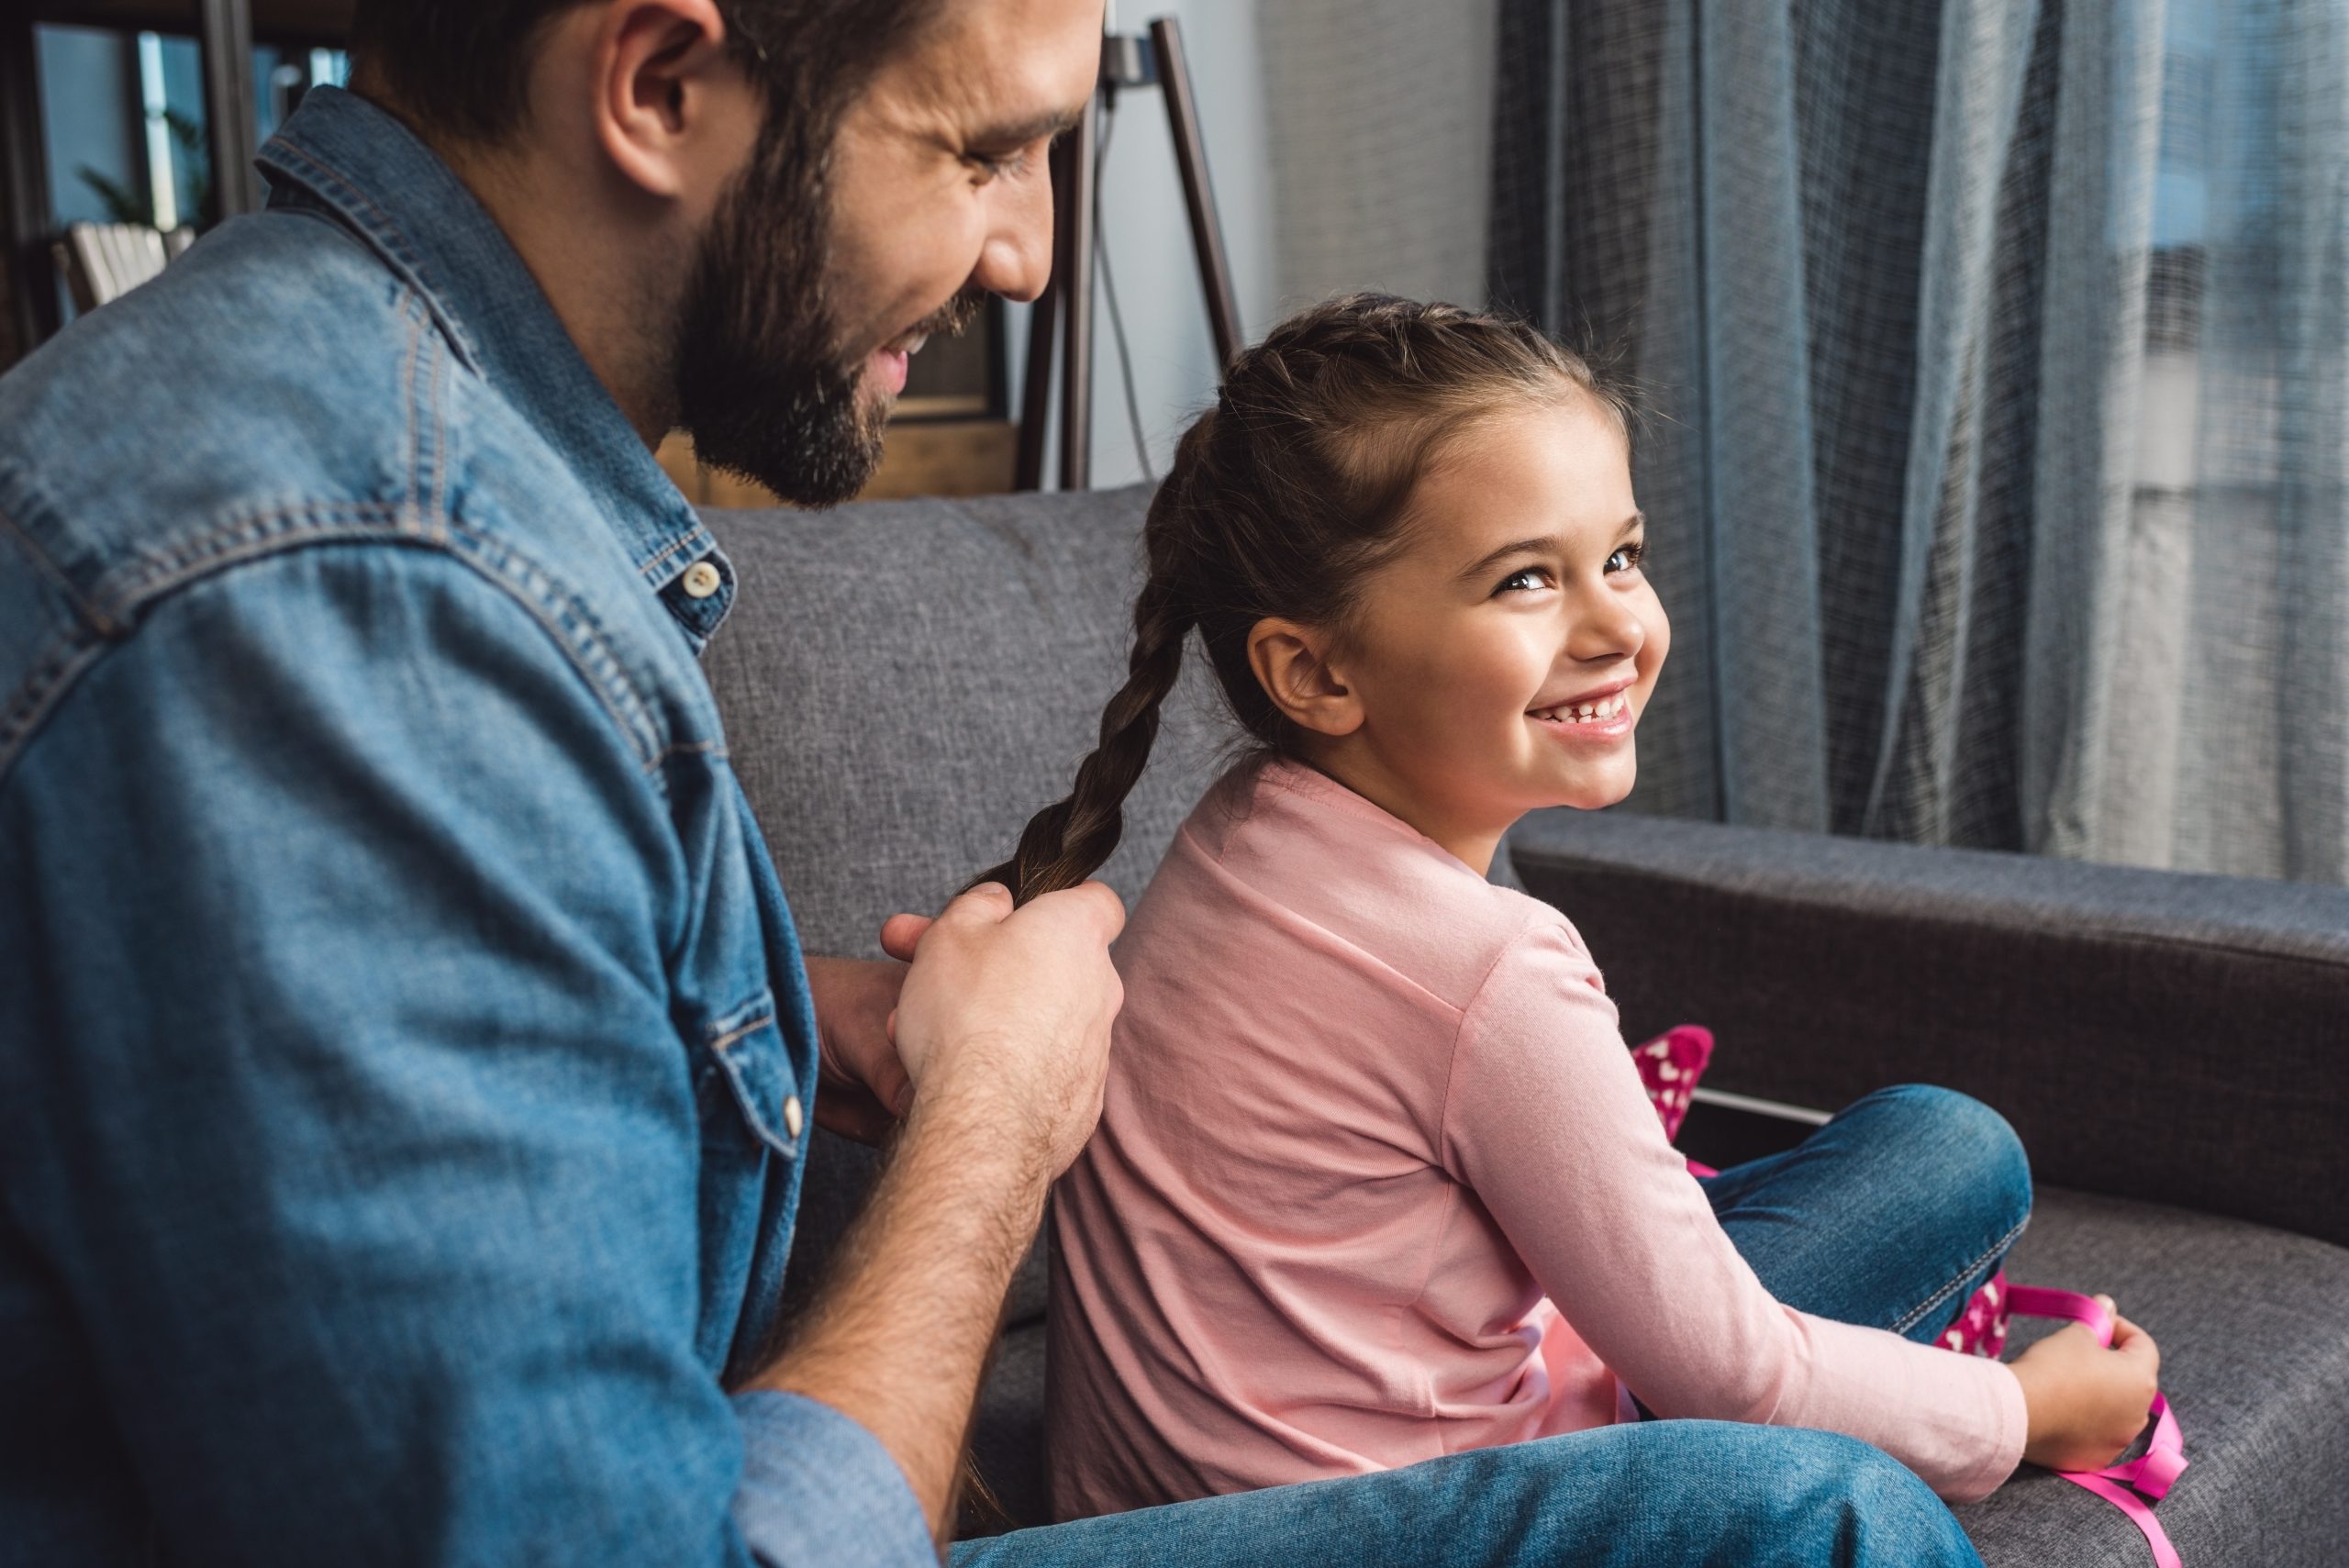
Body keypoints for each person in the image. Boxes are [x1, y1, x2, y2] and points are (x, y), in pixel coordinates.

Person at [0, 1, 1989, 1562]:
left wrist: (774, 1030)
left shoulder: (387, 467)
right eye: (984, 149)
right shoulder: (351, 587)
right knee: (1808, 1513)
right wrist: (993, 1126)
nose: (1032, 260)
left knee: (1915, 1167)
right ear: (660, 83)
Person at [978, 295, 2165, 1523]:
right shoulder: (1491, 964)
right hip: (1437, 1516)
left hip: (1173, 1510)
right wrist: (2027, 1410)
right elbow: (1729, 1374)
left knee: (1942, 1143)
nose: (1616, 626)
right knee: (1953, 1157)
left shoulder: (1230, 832)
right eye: (1527, 580)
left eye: (1622, 557)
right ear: (1319, 671)